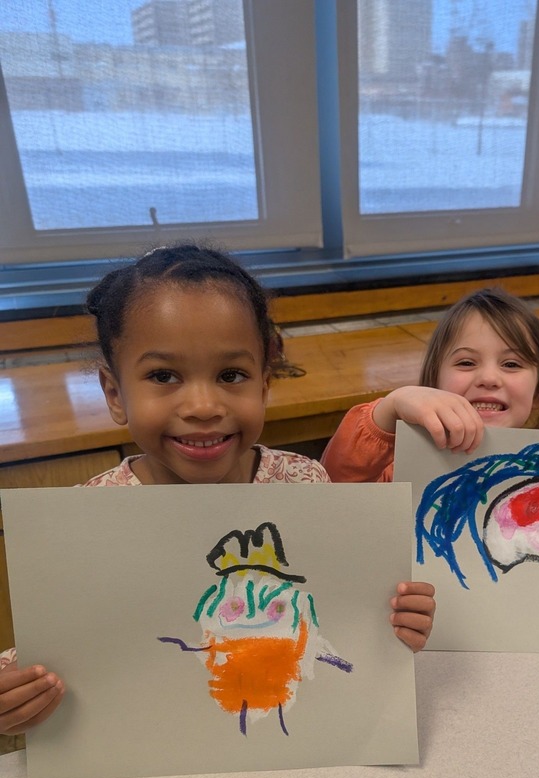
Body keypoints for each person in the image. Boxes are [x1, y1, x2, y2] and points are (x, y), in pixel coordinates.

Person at [0, 244, 435, 737]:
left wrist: (396, 622)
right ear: (115, 394)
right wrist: (15, 690)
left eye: (232, 376)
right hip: (152, 764)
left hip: (292, 748)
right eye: (163, 376)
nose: (204, 405)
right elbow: (53, 651)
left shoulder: (304, 486)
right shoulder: (90, 519)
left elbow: (342, 617)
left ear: (264, 386)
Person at [321, 286, 539, 483]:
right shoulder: (400, 472)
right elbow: (335, 485)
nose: (488, 378)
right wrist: (390, 408)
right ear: (434, 383)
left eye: (511, 365)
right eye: (466, 362)